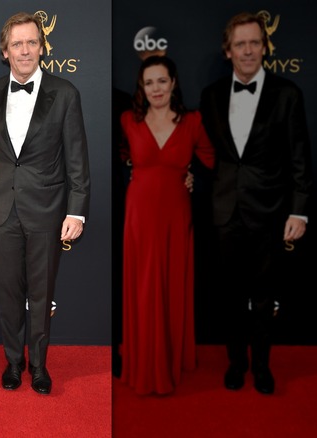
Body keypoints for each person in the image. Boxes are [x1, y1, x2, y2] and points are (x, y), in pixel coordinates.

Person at [0, 12, 90, 395]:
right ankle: (13, 362)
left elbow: (77, 157)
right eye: (17, 44)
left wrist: (76, 209)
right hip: (3, 209)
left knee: (41, 293)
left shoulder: (66, 93)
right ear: (5, 51)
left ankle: (39, 366)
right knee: (8, 291)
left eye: (31, 43)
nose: (24, 50)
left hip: (47, 209)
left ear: (41, 47)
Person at [199, 12, 312, 395]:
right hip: (224, 212)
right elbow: (207, 152)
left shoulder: (287, 94)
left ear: (264, 48)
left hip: (270, 212)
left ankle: (262, 366)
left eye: (254, 43)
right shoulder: (211, 96)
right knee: (230, 296)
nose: (248, 50)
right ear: (228, 51)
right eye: (240, 44)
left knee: (263, 298)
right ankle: (236, 364)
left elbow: (300, 157)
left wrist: (299, 210)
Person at [119, 55, 215, 395]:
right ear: (141, 88)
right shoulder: (128, 120)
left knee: (171, 283)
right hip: (140, 216)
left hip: (176, 215)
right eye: (149, 82)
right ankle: (144, 356)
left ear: (173, 82)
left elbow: (211, 162)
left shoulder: (193, 121)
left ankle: (172, 356)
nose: (156, 88)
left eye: (162, 81)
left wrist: (194, 179)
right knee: (144, 285)